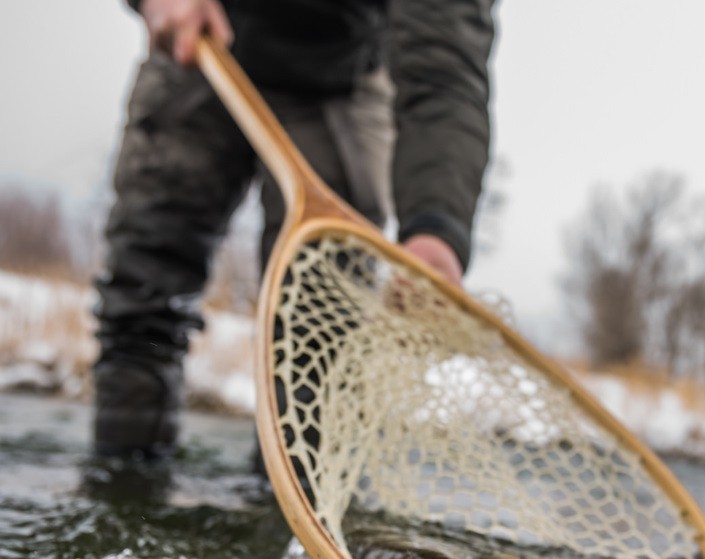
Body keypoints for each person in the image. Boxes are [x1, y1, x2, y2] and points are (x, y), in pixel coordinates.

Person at [93, 0, 495, 461]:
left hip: (341, 80)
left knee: (315, 347)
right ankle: (122, 485)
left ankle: (287, 511)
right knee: (140, 306)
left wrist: (436, 227)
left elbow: (444, 74)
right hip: (203, 42)